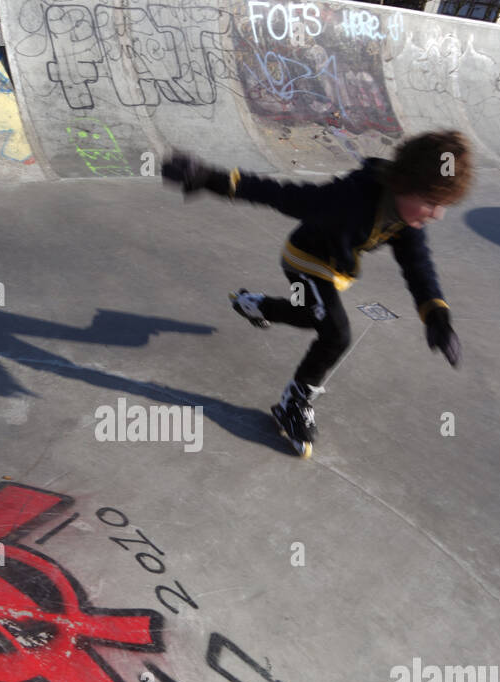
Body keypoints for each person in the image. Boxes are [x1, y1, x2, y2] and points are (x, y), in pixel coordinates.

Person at [162, 130, 470, 457]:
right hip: (304, 261)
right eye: (432, 203)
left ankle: (255, 306)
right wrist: (208, 178)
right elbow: (284, 195)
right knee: (336, 333)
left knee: (310, 315)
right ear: (406, 185)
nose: (437, 214)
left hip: (335, 272)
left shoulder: (404, 220)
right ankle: (293, 403)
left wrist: (436, 315)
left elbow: (417, 265)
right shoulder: (353, 197)